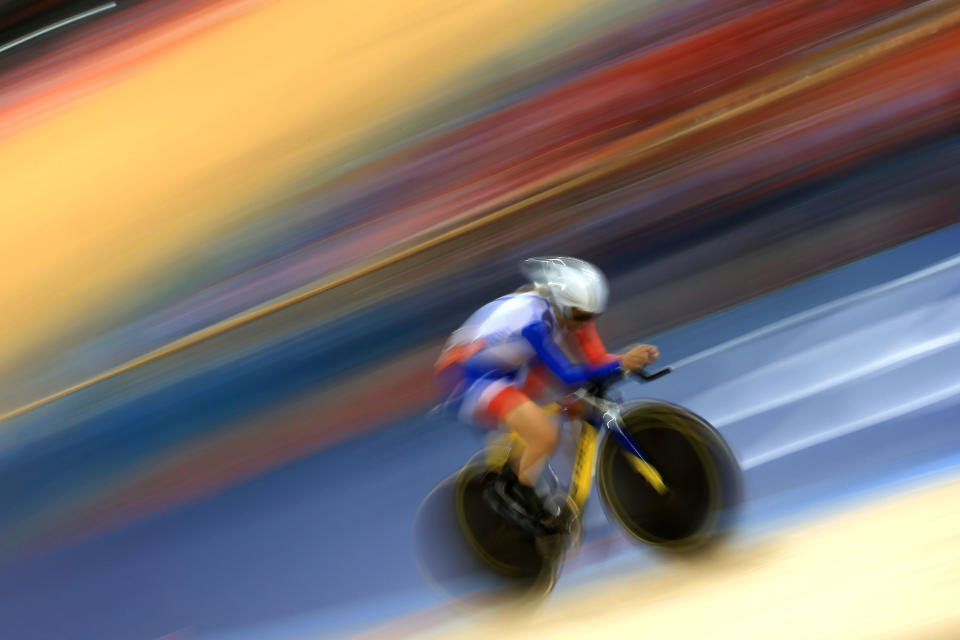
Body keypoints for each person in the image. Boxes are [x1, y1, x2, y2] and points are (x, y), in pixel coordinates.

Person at [434, 256, 659, 534]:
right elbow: (566, 374)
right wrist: (622, 364)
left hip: (509, 367)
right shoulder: (534, 321)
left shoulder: (574, 309)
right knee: (545, 435)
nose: (583, 325)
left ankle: (563, 496)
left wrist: (625, 360)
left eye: (590, 318)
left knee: (578, 406)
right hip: (466, 377)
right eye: (579, 318)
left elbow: (596, 359)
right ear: (561, 304)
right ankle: (520, 496)